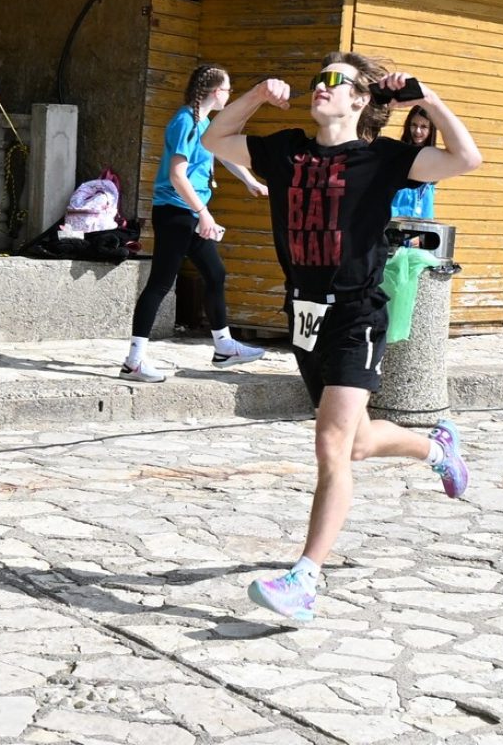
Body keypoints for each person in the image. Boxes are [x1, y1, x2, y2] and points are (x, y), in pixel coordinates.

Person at [202, 51, 482, 622]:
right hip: (304, 315)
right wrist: (256, 94)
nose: (321, 87)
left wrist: (426, 98)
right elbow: (214, 138)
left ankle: (304, 579)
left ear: (360, 99)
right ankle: (437, 449)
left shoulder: (382, 158)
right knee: (354, 443)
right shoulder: (287, 151)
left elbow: (467, 158)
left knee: (330, 445)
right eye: (318, 80)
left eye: (336, 80)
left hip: (357, 315)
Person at [120, 64, 268, 383]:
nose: (229, 95)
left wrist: (250, 181)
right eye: (228, 89)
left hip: (190, 212)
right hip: (175, 212)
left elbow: (222, 154)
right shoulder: (185, 122)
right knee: (160, 283)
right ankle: (133, 361)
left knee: (215, 273)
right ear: (215, 92)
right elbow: (177, 175)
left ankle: (224, 347)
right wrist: (203, 213)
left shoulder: (205, 123)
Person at [390, 106, 437, 219]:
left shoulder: (434, 159)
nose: (417, 131)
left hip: (420, 224)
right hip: (394, 223)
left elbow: (427, 205)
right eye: (414, 125)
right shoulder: (397, 154)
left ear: (431, 130)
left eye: (424, 126)